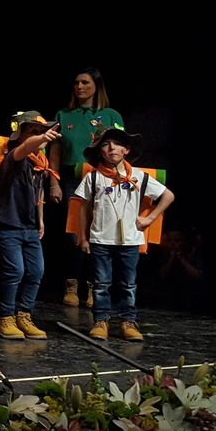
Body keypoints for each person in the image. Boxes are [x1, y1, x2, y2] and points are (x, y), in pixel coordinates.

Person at [74, 125, 173, 342]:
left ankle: (128, 321)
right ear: (100, 150)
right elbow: (83, 208)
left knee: (128, 284)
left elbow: (168, 196)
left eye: (117, 144)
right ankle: (101, 320)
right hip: (101, 238)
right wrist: (82, 237)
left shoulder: (139, 177)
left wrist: (149, 218)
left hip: (129, 240)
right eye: (106, 145)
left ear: (126, 150)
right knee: (101, 283)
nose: (111, 149)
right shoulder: (93, 178)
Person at [0, 111, 62, 341]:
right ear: (21, 136)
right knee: (15, 271)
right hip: (9, 223)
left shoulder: (41, 163)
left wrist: (40, 218)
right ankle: (6, 317)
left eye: (42, 131)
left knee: (36, 271)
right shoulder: (15, 156)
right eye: (34, 132)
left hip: (30, 226)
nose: (41, 136)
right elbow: (26, 146)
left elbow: (38, 192)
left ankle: (24, 314)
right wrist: (40, 138)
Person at [54, 68, 123, 308]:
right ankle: (71, 284)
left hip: (103, 177)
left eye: (85, 82)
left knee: (100, 232)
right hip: (72, 179)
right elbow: (55, 151)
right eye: (76, 83)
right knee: (75, 232)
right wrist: (54, 181)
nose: (80, 87)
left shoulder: (110, 114)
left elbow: (122, 150)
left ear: (96, 86)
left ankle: (96, 286)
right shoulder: (64, 115)